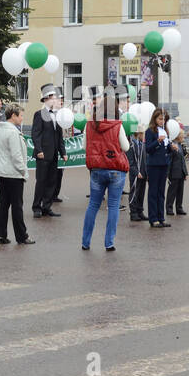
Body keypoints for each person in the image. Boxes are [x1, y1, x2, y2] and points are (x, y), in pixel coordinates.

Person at [81, 85, 131, 252]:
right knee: (114, 205)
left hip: (96, 169)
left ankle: (85, 242)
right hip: (115, 169)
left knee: (93, 205)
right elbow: (125, 147)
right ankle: (109, 242)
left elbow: (83, 146)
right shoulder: (118, 125)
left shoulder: (89, 125)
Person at [0, 104, 34, 244]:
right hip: (13, 173)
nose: (22, 118)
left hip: (1, 171)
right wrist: (24, 172)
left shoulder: (1, 130)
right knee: (17, 206)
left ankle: (1, 234)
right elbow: (17, 156)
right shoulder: (13, 132)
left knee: (3, 204)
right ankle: (22, 236)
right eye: (21, 115)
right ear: (13, 116)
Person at [31, 84, 64, 218]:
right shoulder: (39, 114)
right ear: (45, 99)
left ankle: (47, 206)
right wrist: (38, 150)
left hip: (54, 153)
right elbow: (35, 134)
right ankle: (36, 207)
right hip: (43, 153)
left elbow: (59, 135)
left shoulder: (57, 114)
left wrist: (63, 152)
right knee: (41, 181)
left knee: (52, 181)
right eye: (52, 97)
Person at [142, 107, 174, 228]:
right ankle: (153, 218)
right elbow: (148, 149)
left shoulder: (165, 130)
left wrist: (171, 148)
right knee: (153, 192)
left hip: (164, 164)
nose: (162, 121)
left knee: (161, 192)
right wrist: (158, 141)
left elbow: (166, 148)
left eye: (164, 119)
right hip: (153, 165)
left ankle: (161, 218)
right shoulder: (150, 131)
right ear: (154, 119)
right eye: (160, 119)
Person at [127, 125, 147, 222]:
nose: (143, 135)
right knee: (134, 192)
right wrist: (136, 172)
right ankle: (133, 212)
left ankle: (140, 211)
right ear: (138, 134)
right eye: (142, 133)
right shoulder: (131, 145)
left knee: (141, 193)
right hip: (135, 174)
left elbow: (144, 160)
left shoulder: (142, 145)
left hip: (143, 173)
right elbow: (130, 162)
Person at [166, 125, 187, 216]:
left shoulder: (180, 146)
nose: (184, 137)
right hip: (174, 173)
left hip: (180, 173)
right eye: (182, 135)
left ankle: (179, 207)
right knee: (172, 192)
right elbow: (169, 161)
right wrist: (168, 174)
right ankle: (169, 208)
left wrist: (185, 172)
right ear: (178, 136)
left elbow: (183, 160)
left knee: (180, 192)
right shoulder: (172, 146)